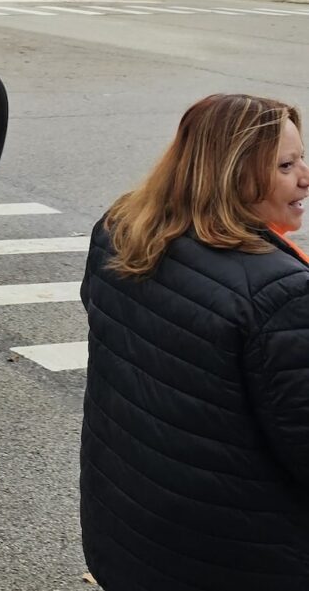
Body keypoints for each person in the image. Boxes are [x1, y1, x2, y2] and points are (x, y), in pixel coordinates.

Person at [80, 93, 309, 591]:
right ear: (234, 174)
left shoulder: (121, 229)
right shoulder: (279, 292)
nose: (305, 178)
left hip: (130, 527)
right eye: (287, 165)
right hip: (237, 556)